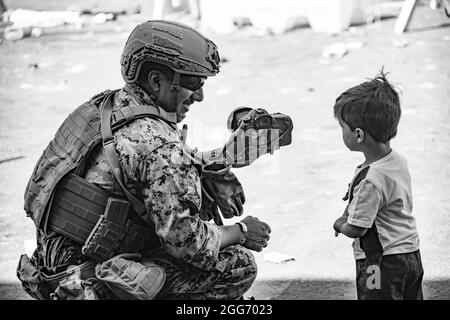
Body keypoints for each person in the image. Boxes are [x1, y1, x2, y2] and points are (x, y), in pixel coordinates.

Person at [17, 20, 275, 300]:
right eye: (193, 83)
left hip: (51, 266)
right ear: (156, 80)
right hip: (87, 279)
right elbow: (189, 244)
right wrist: (242, 230)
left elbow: (134, 164)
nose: (200, 96)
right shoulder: (159, 146)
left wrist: (208, 166)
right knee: (237, 265)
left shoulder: (103, 106)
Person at [332, 70, 424, 300]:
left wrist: (340, 224)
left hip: (379, 264)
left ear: (359, 135)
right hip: (411, 255)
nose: (341, 132)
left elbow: (358, 228)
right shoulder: (397, 161)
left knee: (374, 296)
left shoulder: (370, 181)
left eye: (342, 127)